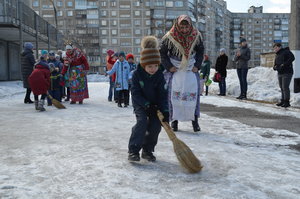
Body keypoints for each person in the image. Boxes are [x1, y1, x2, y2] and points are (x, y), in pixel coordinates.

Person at [160, 15, 204, 132]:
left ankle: (195, 121)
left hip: (190, 68)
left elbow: (200, 52)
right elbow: (162, 53)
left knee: (193, 95)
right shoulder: (169, 37)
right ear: (177, 25)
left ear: (190, 26)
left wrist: (197, 66)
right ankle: (174, 121)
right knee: (174, 96)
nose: (184, 30)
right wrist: (169, 67)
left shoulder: (196, 36)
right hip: (175, 68)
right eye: (182, 27)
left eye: (186, 27)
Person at [128, 36, 169, 162]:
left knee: (156, 125)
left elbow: (163, 94)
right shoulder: (136, 75)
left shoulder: (159, 76)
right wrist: (146, 104)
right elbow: (135, 93)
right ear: (144, 64)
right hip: (141, 105)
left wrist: (165, 110)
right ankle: (133, 151)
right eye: (150, 66)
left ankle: (147, 150)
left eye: (156, 66)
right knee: (142, 122)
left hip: (155, 105)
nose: (153, 69)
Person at [273, 43, 295, 107]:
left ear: (280, 47)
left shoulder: (286, 52)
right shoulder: (277, 54)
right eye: (274, 48)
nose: (275, 49)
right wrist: (274, 67)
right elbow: (275, 63)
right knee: (282, 87)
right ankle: (282, 101)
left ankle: (287, 102)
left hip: (287, 72)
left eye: (276, 48)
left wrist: (284, 64)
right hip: (280, 73)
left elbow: (292, 58)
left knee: (285, 87)